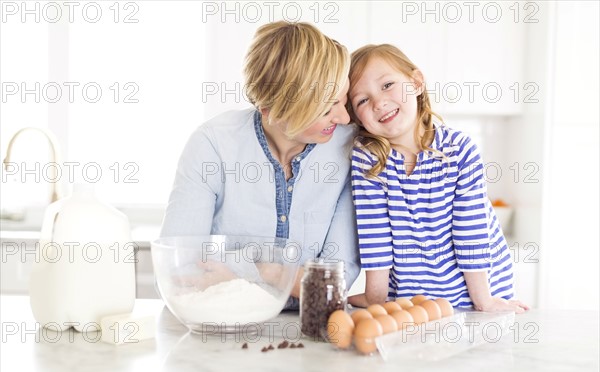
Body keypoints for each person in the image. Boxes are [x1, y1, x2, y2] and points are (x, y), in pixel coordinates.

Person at [160, 21, 360, 309]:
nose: (343, 118)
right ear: (271, 111)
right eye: (326, 109)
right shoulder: (213, 145)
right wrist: (293, 279)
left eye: (343, 101)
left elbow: (334, 285)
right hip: (223, 323)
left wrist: (257, 272)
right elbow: (179, 268)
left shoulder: (348, 149)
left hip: (308, 332)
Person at [346, 44, 528, 313]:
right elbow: (376, 237)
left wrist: (484, 301)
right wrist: (375, 300)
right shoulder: (368, 160)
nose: (378, 103)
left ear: (417, 83)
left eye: (387, 85)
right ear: (356, 116)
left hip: (478, 295)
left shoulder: (459, 150)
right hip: (412, 304)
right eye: (362, 100)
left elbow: (471, 233)